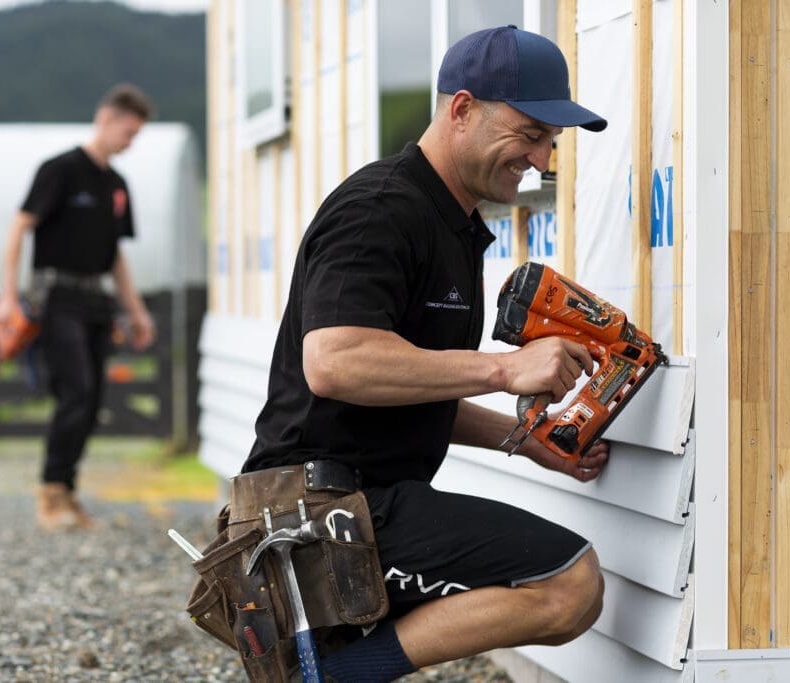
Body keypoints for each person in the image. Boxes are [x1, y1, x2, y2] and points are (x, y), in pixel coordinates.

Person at [241, 26, 610, 681]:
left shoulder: (450, 223)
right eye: (530, 134)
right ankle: (334, 677)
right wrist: (505, 370)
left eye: (551, 143)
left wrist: (523, 439)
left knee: (562, 582)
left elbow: (404, 381)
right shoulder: (381, 210)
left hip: (361, 501)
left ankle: (336, 669)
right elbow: (335, 360)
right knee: (569, 584)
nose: (543, 160)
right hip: (318, 514)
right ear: (462, 109)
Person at [0, 83, 156, 532]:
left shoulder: (117, 186)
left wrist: (136, 312)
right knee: (76, 390)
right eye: (128, 131)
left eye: (137, 134)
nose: (131, 141)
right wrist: (9, 296)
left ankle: (67, 489)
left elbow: (116, 256)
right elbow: (19, 227)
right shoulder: (60, 170)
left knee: (93, 401)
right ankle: (50, 492)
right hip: (56, 298)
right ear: (106, 119)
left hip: (96, 300)